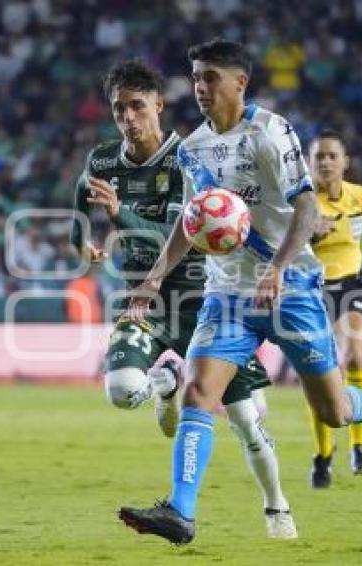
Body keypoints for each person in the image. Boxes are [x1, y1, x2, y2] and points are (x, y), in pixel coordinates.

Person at [118, 39, 362, 544]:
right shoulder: (191, 150)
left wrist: (277, 268)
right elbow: (192, 223)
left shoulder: (272, 133)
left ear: (240, 82)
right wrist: (153, 278)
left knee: (334, 412)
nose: (200, 87)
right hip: (226, 293)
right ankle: (180, 513)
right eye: (195, 77)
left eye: (211, 77)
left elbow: (304, 209)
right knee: (198, 392)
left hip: (292, 288)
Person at [71, 59, 297, 539]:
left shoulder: (189, 159)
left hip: (204, 302)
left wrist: (121, 213)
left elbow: (183, 235)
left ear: (158, 104)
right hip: (145, 302)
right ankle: (167, 384)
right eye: (119, 109)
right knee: (122, 390)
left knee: (248, 419)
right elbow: (78, 196)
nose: (128, 118)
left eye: (137, 106)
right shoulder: (104, 161)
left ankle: (277, 507)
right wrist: (79, 238)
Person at [307, 129, 362, 486]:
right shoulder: (300, 201)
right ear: (309, 163)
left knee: (356, 359)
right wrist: (309, 233)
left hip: (351, 285)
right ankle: (322, 457)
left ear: (345, 162)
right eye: (319, 157)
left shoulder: (361, 197)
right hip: (309, 290)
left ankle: (359, 448)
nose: (326, 162)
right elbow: (276, 240)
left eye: (332, 156)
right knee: (319, 375)